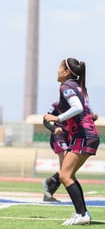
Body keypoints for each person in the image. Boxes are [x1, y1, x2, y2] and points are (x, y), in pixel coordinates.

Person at [44, 58, 99, 226]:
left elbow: (78, 108)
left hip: (83, 136)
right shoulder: (79, 87)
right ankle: (82, 213)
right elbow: (84, 112)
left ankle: (82, 214)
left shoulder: (66, 86)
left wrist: (56, 118)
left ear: (66, 72)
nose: (57, 71)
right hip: (87, 136)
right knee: (69, 175)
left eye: (59, 68)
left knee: (65, 175)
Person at [42, 102, 70, 202]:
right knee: (65, 168)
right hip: (58, 137)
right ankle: (48, 185)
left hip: (71, 137)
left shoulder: (77, 105)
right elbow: (45, 121)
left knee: (67, 169)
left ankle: (49, 188)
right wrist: (54, 129)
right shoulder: (56, 105)